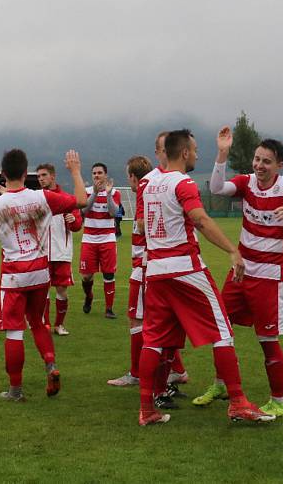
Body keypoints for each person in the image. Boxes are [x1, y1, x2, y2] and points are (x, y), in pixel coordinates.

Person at [136, 129, 274, 425]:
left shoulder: (147, 183)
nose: (197, 154)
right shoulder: (183, 183)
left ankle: (146, 409)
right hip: (185, 268)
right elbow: (200, 219)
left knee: (153, 340)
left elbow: (141, 226)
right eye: (195, 150)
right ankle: (238, 402)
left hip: (157, 271)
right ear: (184, 153)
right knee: (222, 332)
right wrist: (232, 251)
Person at [200, 127, 283, 419]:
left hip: (269, 277)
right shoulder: (247, 183)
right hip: (241, 271)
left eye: (266, 161)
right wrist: (222, 154)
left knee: (267, 340)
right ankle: (221, 384)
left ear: (278, 165)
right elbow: (215, 188)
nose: (259, 165)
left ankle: (279, 400)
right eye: (257, 159)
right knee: (220, 328)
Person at [0, 148, 87, 401]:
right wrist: (76, 171)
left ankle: (15, 390)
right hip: (40, 272)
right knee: (37, 322)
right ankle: (50, 365)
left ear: (4, 174)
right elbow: (81, 200)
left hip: (14, 275)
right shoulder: (42, 198)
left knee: (14, 331)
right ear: (27, 173)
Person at [108, 134, 189, 402]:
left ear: (133, 178)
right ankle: (175, 369)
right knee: (155, 322)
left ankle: (138, 373)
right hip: (149, 265)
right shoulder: (153, 190)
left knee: (141, 321)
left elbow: (146, 228)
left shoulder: (148, 191)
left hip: (146, 267)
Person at [36, 163, 83, 336]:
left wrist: (73, 220)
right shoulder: (37, 199)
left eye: (44, 175)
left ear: (53, 176)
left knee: (62, 290)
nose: (41, 179)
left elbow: (78, 226)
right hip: (41, 253)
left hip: (61, 253)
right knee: (43, 290)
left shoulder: (67, 198)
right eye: (39, 176)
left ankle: (59, 324)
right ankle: (45, 323)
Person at [80, 162, 122, 318]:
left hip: (107, 239)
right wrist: (96, 194)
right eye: (94, 173)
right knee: (86, 276)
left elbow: (113, 213)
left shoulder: (115, 192)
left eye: (99, 173)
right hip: (89, 239)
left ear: (105, 175)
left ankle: (109, 309)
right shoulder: (86, 192)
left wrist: (108, 194)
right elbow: (83, 210)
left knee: (109, 273)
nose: (96, 175)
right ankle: (89, 295)